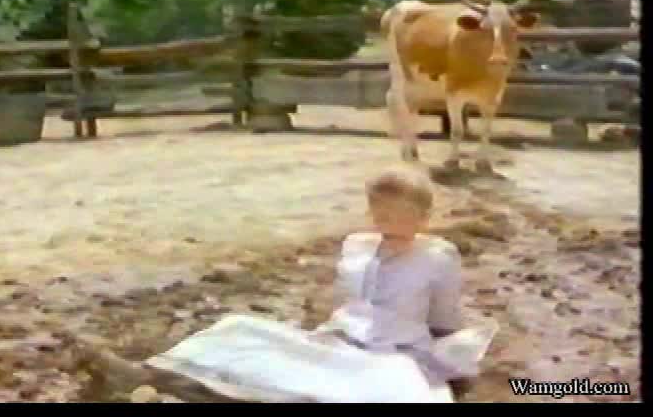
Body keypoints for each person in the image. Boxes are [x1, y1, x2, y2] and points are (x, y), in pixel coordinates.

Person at [77, 169, 496, 402]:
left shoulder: (438, 256)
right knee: (239, 328)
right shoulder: (356, 245)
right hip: (335, 339)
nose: (386, 220)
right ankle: (148, 376)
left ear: (423, 216)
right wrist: (320, 332)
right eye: (380, 211)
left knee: (389, 391)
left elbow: (445, 317)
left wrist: (449, 359)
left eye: (399, 213)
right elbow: (342, 303)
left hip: (392, 354)